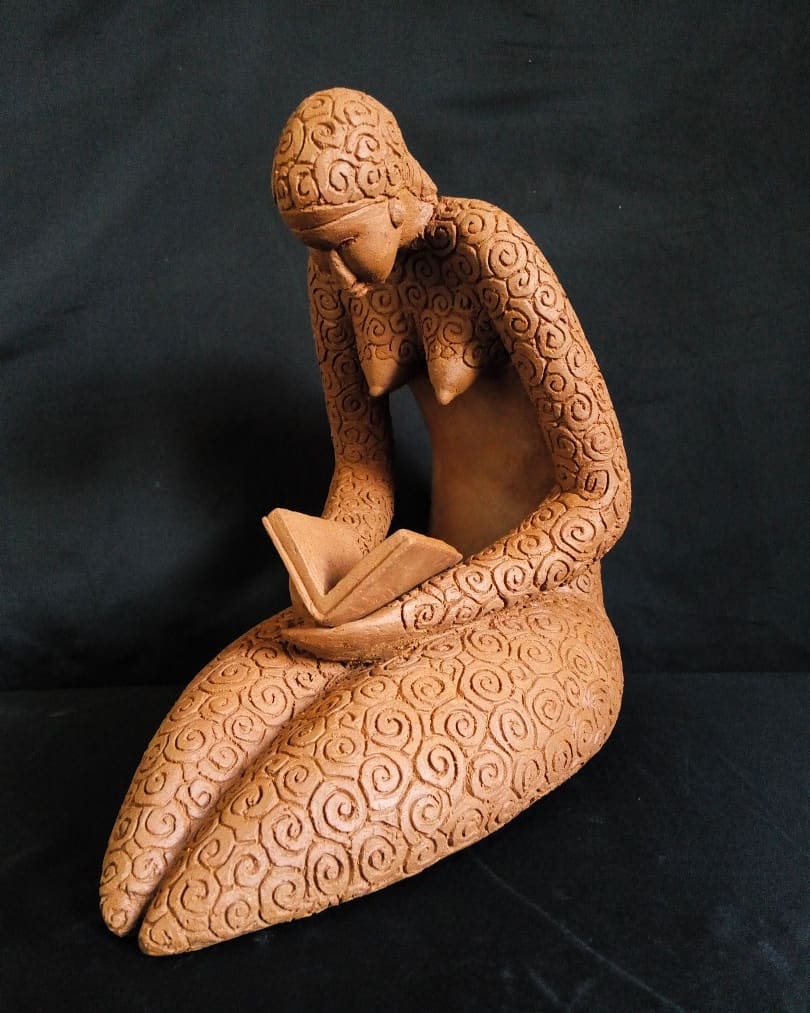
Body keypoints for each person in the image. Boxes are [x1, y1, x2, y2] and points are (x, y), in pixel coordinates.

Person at [100, 88, 631, 955]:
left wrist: (428, 611)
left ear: (393, 192)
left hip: (550, 605)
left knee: (349, 758)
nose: (337, 272)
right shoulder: (334, 277)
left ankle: (181, 912)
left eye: (344, 242)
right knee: (234, 703)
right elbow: (362, 472)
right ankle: (135, 896)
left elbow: (600, 496)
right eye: (316, 248)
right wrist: (335, 563)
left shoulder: (491, 250)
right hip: (421, 573)